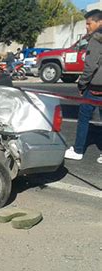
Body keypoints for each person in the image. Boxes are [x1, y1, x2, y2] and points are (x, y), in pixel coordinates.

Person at [65, 9, 102, 163]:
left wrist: (82, 84)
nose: (87, 27)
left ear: (99, 22)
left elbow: (90, 66)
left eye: (89, 23)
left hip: (95, 86)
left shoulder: (96, 39)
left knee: (84, 117)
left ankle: (78, 150)